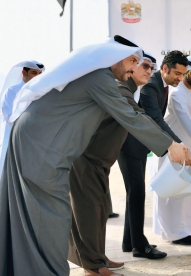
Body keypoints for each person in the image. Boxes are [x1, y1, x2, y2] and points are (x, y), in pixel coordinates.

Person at [0, 36, 188, 276]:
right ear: (114, 57)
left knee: (37, 216)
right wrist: (169, 145)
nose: (135, 67)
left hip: (41, 146)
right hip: (40, 148)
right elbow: (130, 116)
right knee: (54, 216)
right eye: (132, 60)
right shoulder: (99, 78)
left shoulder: (101, 78)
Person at [68, 52, 173, 276]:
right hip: (86, 159)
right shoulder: (119, 89)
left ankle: (99, 258)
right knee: (88, 212)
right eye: (140, 64)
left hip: (99, 161)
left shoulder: (127, 91)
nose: (147, 70)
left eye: (150, 67)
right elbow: (139, 118)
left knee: (100, 210)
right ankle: (93, 267)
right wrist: (172, 145)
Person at [118, 50, 191, 255]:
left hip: (138, 146)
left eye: (183, 74)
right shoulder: (152, 86)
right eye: (177, 74)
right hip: (130, 146)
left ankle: (130, 242)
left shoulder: (162, 85)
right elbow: (156, 119)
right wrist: (178, 145)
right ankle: (139, 246)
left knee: (134, 194)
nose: (181, 78)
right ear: (165, 69)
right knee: (137, 193)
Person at [153, 55, 191, 245]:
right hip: (174, 149)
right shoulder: (177, 93)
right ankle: (174, 233)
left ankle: (189, 228)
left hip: (190, 149)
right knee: (172, 192)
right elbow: (186, 121)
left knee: (188, 191)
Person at [0, 60, 45, 208]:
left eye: (39, 74)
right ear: (24, 73)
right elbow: (10, 117)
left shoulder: (41, 92)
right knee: (7, 176)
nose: (37, 76)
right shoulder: (12, 91)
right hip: (12, 140)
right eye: (34, 73)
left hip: (34, 142)